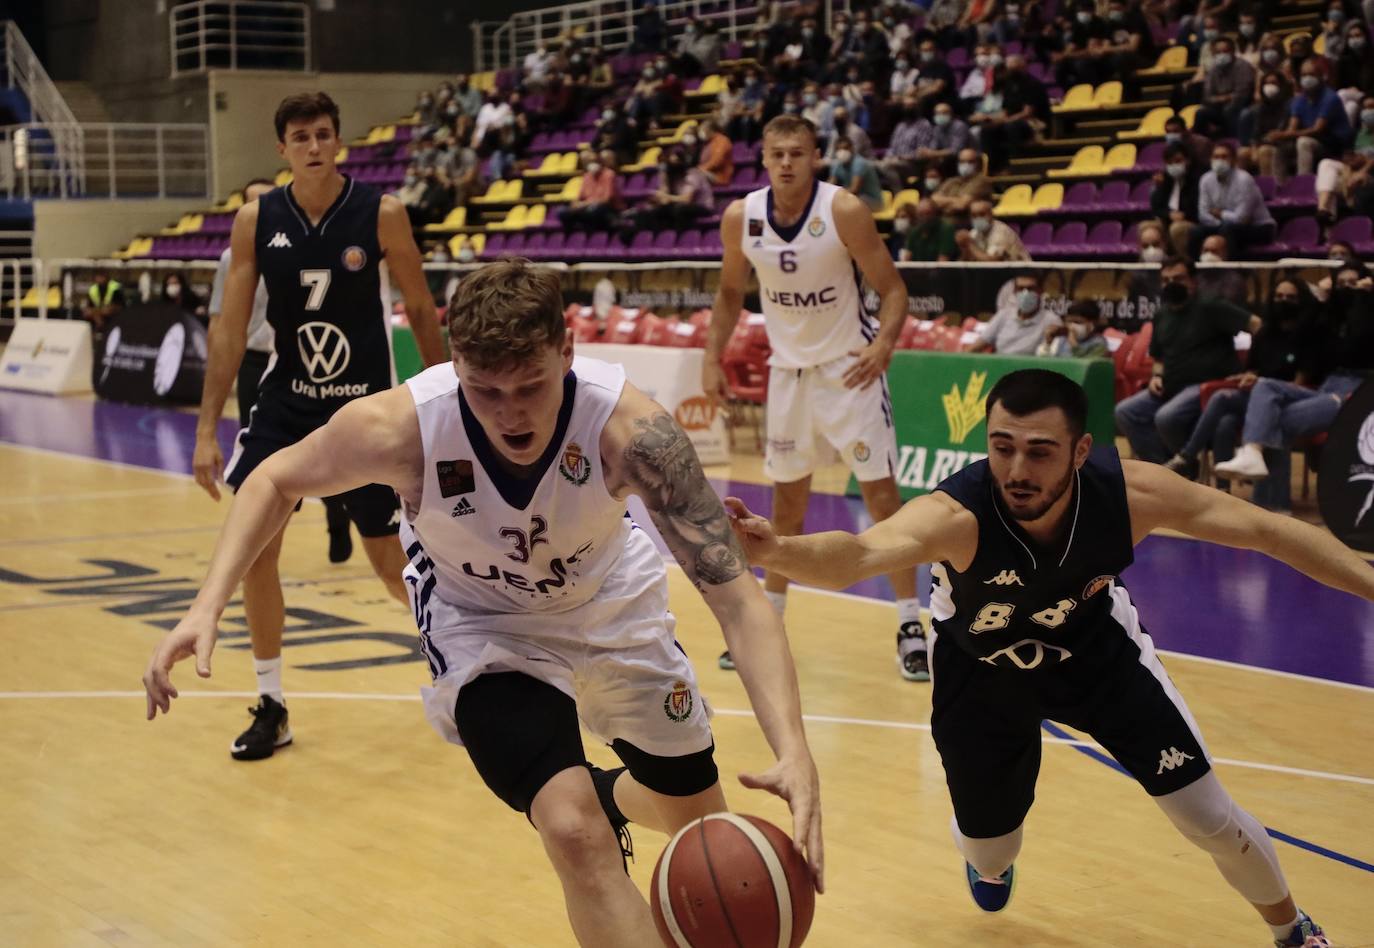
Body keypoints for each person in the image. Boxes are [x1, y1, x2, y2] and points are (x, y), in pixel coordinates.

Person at [143, 260, 824, 948]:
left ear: (567, 351)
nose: (510, 413)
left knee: (705, 831)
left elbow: (739, 602)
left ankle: (613, 793)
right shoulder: (403, 426)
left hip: (612, 604)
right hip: (484, 625)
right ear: (456, 363)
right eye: (485, 390)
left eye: (530, 386)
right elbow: (273, 478)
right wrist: (208, 604)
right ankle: (592, 805)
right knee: (571, 829)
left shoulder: (632, 433)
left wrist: (793, 750)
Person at [725, 368, 1346, 948]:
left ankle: (1293, 929)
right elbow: (856, 555)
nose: (1016, 468)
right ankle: (990, 859)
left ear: (1081, 451)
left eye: (1040, 451)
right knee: (991, 853)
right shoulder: (957, 514)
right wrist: (777, 549)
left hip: (1095, 654)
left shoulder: (1131, 495)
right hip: (981, 671)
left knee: (1206, 814)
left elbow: (1270, 531)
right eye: (1002, 447)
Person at [190, 92, 447, 761]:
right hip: (286, 407)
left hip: (364, 409)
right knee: (256, 555)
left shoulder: (381, 213)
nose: (312, 146)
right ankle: (272, 702)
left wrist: (450, 404)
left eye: (323, 134)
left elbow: (420, 307)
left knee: (395, 569)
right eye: (300, 137)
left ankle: (464, 668)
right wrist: (203, 429)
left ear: (340, 143)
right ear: (282, 150)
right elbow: (228, 329)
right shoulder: (256, 219)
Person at [703, 114, 925, 681]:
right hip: (788, 374)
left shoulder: (843, 210)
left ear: (814, 157)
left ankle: (909, 623)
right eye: (776, 153)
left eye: (796, 153)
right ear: (763, 158)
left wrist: (884, 347)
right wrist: (711, 357)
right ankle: (767, 618)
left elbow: (892, 288)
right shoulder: (742, 217)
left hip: (848, 369)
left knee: (881, 498)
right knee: (786, 508)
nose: (785, 163)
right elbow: (730, 292)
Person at [208, 179, 356, 566]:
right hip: (256, 363)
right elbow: (220, 321)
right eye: (253, 202)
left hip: (305, 359)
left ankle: (337, 515)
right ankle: (274, 528)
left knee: (330, 449)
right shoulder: (230, 258)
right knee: (265, 462)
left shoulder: (306, 247)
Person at [1215, 265, 1374, 481]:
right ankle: (1252, 453)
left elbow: (1358, 344)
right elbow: (1304, 336)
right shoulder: (1332, 319)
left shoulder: (1367, 312)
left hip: (1360, 391)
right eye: (1341, 284)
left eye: (1352, 283)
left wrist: (1365, 299)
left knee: (1271, 418)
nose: (1347, 289)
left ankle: (1271, 502)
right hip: (1328, 387)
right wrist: (1321, 301)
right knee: (1265, 385)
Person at [1114, 257, 1262, 464]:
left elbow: (1258, 326)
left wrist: (1256, 368)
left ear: (1193, 281)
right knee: (1125, 412)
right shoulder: (1161, 315)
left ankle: (1186, 467)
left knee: (1166, 417)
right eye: (1166, 280)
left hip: (1208, 388)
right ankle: (1164, 470)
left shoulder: (1211, 306)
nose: (1171, 284)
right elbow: (1158, 357)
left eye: (1178, 278)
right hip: (1170, 387)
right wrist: (1157, 375)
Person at [1164, 278, 1313, 482]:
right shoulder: (1264, 333)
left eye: (1290, 297)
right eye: (1278, 296)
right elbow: (1253, 367)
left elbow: (1300, 382)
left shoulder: (1309, 335)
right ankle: (1224, 489)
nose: (1283, 301)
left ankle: (1187, 455)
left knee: (1222, 402)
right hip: (1256, 396)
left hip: (1290, 400)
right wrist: (1246, 376)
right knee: (1224, 422)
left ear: (1301, 300)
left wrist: (1261, 381)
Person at [1194, 142, 1275, 260]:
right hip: (1222, 225)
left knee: (1228, 230)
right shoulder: (1206, 179)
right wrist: (1218, 224)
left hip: (1259, 227)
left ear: (1234, 160)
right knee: (1196, 232)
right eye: (1216, 157)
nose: (1219, 161)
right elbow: (1203, 214)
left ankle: (1232, 271)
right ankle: (1196, 270)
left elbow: (1242, 218)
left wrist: (1220, 214)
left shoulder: (1244, 179)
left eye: (1224, 157)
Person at [966, 272, 1061, 354]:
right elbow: (976, 346)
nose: (1025, 293)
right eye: (1021, 288)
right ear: (1014, 291)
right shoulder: (1004, 315)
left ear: (1040, 291)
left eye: (1030, 288)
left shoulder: (1051, 320)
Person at [561, 148, 623, 233]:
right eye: (586, 162)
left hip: (608, 209)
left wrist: (585, 204)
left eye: (592, 161)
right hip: (587, 208)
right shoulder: (586, 176)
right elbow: (580, 197)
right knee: (562, 211)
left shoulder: (609, 174)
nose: (589, 164)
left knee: (593, 210)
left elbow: (606, 200)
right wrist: (575, 205)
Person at [956, 198, 1031, 262]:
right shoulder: (974, 233)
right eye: (974, 216)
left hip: (1022, 271)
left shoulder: (1001, 232)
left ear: (991, 214)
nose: (978, 219)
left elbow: (992, 262)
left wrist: (969, 244)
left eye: (982, 214)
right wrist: (964, 246)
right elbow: (969, 260)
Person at [1036, 299, 1109, 358]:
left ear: (1092, 324)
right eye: (1069, 322)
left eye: (1077, 322)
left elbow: (1087, 366)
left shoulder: (1099, 344)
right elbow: (1045, 362)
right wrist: (1048, 343)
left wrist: (1074, 344)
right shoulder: (1062, 340)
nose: (1072, 326)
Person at [828, 137, 885, 211]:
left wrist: (836, 196)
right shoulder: (837, 164)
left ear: (852, 148)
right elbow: (830, 185)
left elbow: (854, 189)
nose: (842, 152)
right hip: (854, 198)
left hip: (873, 202)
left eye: (845, 148)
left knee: (849, 201)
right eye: (839, 149)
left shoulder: (859, 163)